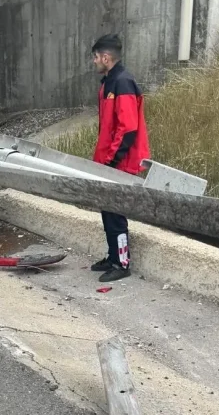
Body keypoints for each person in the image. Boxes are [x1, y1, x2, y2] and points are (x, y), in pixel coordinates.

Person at [89, 33, 151, 282]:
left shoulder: (122, 82)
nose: (93, 61)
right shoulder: (109, 82)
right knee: (108, 211)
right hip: (108, 161)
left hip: (120, 163)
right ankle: (113, 256)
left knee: (116, 214)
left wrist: (111, 164)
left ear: (106, 57)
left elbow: (128, 129)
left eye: (95, 57)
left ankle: (122, 263)